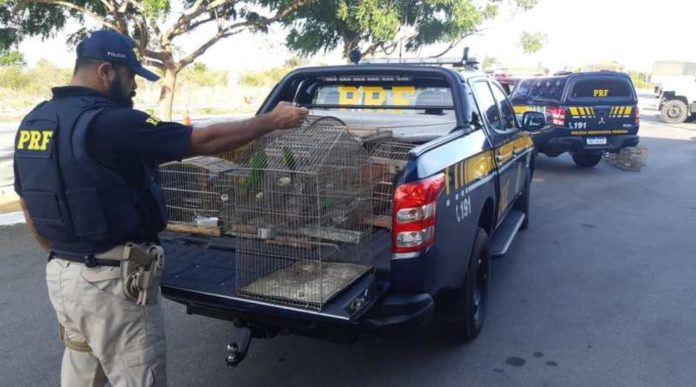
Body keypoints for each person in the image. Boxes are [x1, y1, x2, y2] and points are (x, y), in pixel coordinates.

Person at [13, 29, 308, 387]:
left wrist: (64, 252)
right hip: (110, 283)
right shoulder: (112, 122)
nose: (135, 86)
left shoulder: (36, 121)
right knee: (139, 376)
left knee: (81, 374)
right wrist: (269, 122)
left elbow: (28, 199)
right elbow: (204, 140)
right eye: (130, 75)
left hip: (62, 274)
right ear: (106, 72)